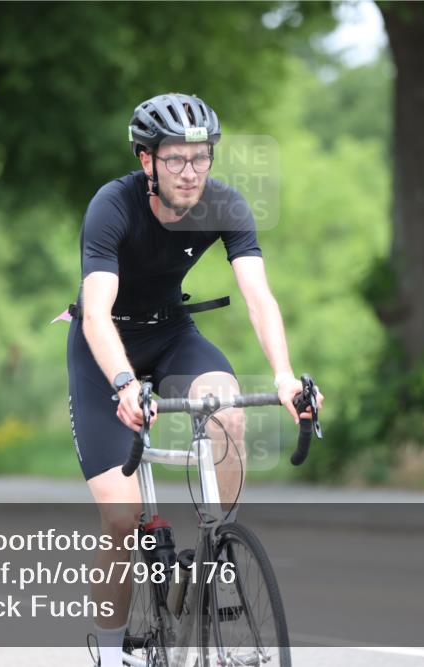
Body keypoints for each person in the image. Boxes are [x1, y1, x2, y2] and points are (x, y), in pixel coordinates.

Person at [64, 93, 323, 667]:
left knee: (227, 407)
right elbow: (98, 312)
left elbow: (259, 296)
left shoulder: (225, 205)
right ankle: (113, 653)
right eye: (176, 159)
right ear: (146, 160)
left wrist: (283, 376)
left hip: (173, 332)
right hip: (105, 346)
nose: (190, 172)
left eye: (201, 158)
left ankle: (215, 548)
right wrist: (126, 384)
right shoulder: (113, 205)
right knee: (120, 518)